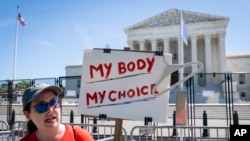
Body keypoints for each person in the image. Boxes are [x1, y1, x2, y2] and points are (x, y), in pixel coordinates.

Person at [20, 83, 94, 141]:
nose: (50, 110)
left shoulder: (79, 136)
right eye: (41, 106)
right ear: (27, 114)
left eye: (54, 102)